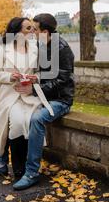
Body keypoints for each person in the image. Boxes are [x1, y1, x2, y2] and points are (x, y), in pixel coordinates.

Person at [0, 17, 51, 182]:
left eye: (32, 28)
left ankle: (11, 166)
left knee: (22, 122)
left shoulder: (35, 49)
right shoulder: (2, 49)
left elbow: (41, 73)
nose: (32, 31)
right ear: (16, 32)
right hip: (8, 95)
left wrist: (34, 78)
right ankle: (9, 166)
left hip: (27, 95)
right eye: (28, 28)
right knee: (13, 122)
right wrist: (10, 76)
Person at [12, 13, 75, 191]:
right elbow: (45, 75)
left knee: (37, 119)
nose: (33, 32)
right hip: (44, 96)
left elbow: (61, 81)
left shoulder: (62, 49)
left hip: (60, 100)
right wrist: (35, 78)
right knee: (16, 111)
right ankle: (10, 164)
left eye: (36, 29)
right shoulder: (42, 44)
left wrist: (33, 88)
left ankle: (31, 173)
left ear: (45, 31)